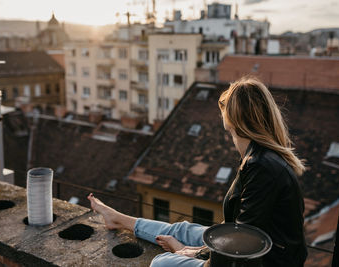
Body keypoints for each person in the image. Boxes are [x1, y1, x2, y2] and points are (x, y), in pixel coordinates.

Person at [87, 76, 307, 267]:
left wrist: (191, 254)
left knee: (161, 263)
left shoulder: (261, 166)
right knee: (182, 229)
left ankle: (153, 237)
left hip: (264, 263)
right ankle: (118, 219)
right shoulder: (262, 157)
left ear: (233, 119)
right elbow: (241, 228)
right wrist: (197, 250)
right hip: (254, 253)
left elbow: (241, 241)